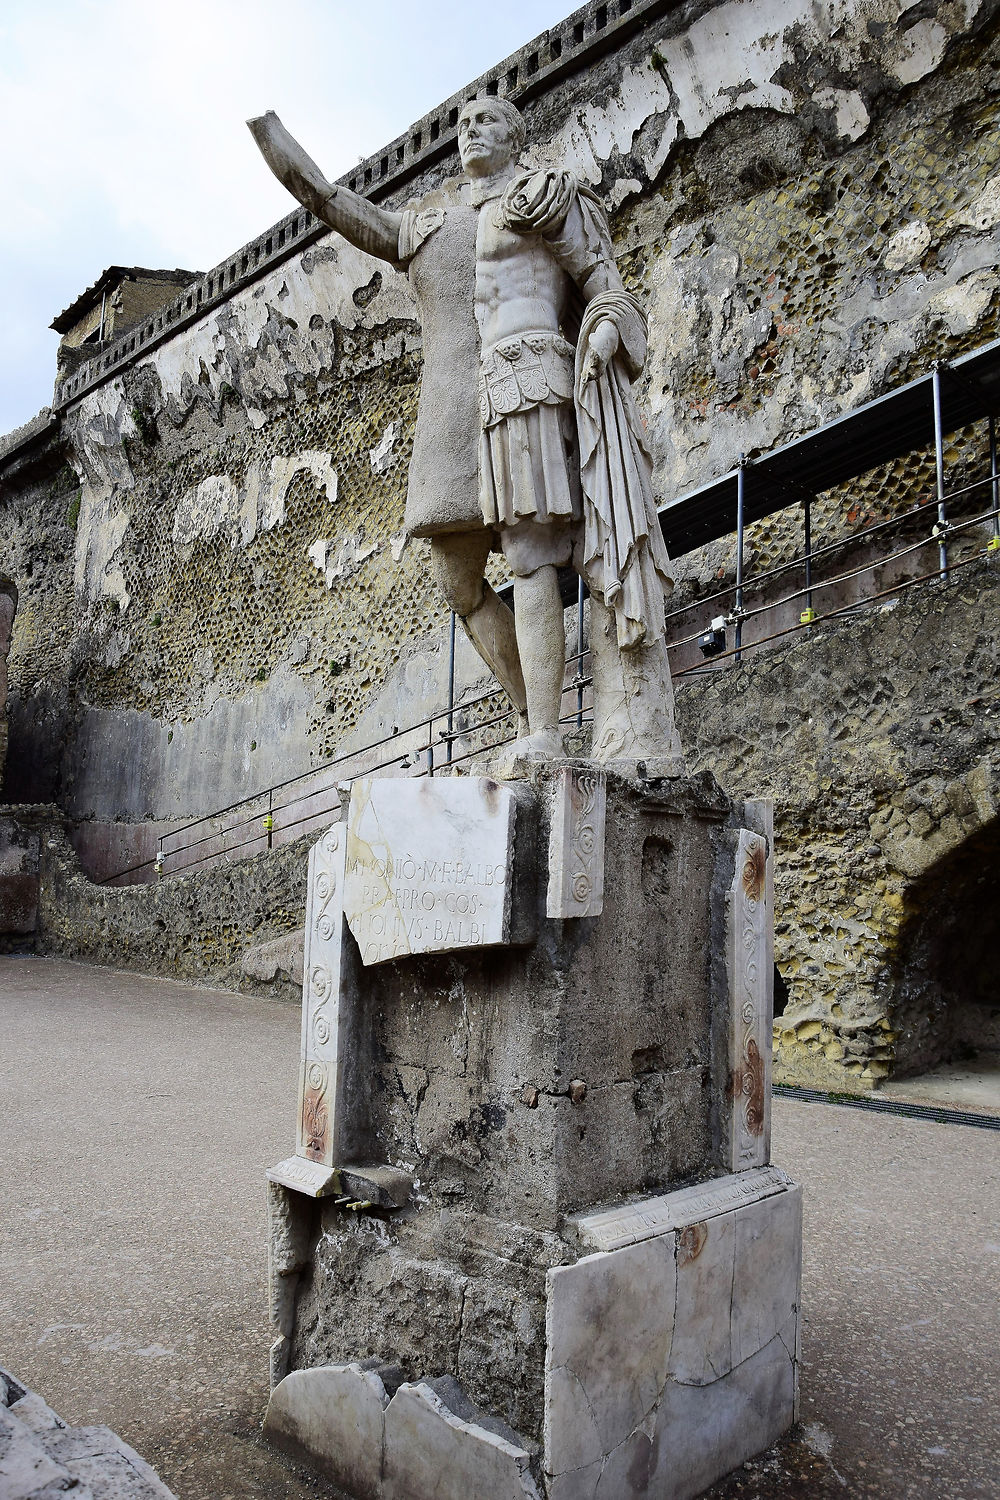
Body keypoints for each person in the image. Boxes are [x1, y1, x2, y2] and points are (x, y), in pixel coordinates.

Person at [250, 100, 683, 769]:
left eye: (486, 120)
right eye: (463, 124)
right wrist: (269, 135)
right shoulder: (431, 226)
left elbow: (607, 288)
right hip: (459, 411)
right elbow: (334, 203)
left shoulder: (543, 198)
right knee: (459, 583)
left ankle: (543, 732)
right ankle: (527, 714)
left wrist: (602, 329)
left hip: (530, 382)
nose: (470, 129)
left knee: (530, 556)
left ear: (515, 135)